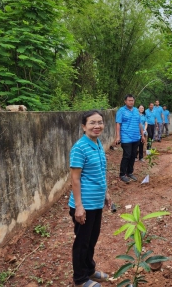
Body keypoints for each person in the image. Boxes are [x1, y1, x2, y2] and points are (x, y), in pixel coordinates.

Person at [68, 110, 111, 287]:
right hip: (84, 205)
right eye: (92, 123)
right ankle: (80, 279)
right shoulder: (80, 147)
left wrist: (106, 193)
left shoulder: (97, 143)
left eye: (100, 122)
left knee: (92, 239)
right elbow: (75, 178)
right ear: (84, 126)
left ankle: (90, 271)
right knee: (82, 243)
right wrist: (79, 206)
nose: (97, 126)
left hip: (96, 202)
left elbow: (100, 172)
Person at [115, 94, 146, 183]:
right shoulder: (121, 111)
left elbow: (140, 124)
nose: (131, 102)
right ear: (125, 101)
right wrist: (118, 137)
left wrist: (142, 135)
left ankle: (130, 172)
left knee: (133, 155)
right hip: (126, 137)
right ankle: (122, 174)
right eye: (129, 100)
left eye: (132, 100)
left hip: (136, 137)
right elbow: (118, 124)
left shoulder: (136, 111)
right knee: (127, 155)